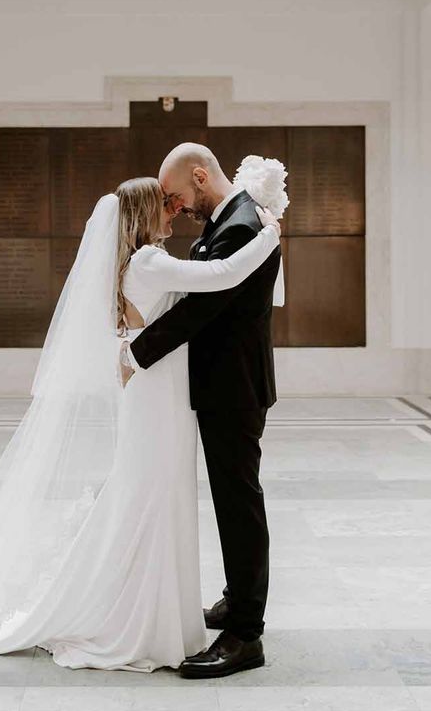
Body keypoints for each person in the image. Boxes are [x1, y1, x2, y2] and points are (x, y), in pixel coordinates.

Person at [0, 175, 280, 704]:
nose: (174, 213)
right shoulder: (150, 262)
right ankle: (135, 616)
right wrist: (268, 234)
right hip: (158, 402)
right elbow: (221, 274)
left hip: (163, 397)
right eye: (165, 206)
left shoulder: (141, 261)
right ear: (140, 215)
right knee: (150, 498)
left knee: (154, 498)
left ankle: (153, 608)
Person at [123, 143, 284, 679]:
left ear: (199, 175)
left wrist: (136, 354)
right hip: (221, 385)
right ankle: (237, 599)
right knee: (231, 500)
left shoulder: (240, 225)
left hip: (233, 388)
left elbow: (202, 307)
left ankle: (245, 634)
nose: (175, 207)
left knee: (238, 503)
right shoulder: (230, 221)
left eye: (176, 196)